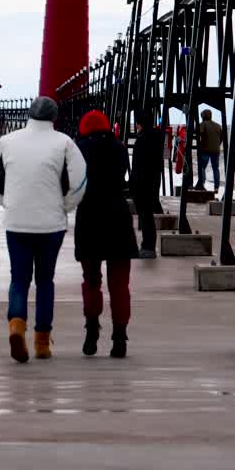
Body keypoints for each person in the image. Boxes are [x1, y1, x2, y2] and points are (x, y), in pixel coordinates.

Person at [0, 96, 87, 363]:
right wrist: (65, 206)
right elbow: (79, 180)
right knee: (45, 281)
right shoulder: (64, 142)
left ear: (30, 114)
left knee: (19, 279)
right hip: (50, 224)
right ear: (54, 117)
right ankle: (42, 342)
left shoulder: (7, 141)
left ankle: (16, 326)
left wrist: (6, 203)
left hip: (16, 221)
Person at [73, 109, 136, 358]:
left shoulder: (78, 150)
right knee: (120, 284)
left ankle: (91, 331)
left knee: (91, 281)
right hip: (118, 218)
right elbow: (122, 177)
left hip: (89, 218)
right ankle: (119, 337)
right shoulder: (119, 148)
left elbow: (73, 181)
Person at [131, 110, 163, 259]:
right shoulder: (157, 137)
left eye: (137, 122)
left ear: (140, 123)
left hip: (142, 183)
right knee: (147, 215)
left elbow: (138, 165)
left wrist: (132, 184)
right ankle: (148, 246)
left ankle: (148, 247)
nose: (136, 125)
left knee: (145, 216)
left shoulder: (142, 139)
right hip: (153, 181)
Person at [195, 108, 222, 192]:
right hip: (216, 150)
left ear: (202, 116)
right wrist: (217, 145)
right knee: (215, 168)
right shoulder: (218, 125)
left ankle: (201, 183)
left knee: (202, 167)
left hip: (205, 149)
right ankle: (216, 187)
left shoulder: (203, 124)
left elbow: (197, 133)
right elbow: (221, 138)